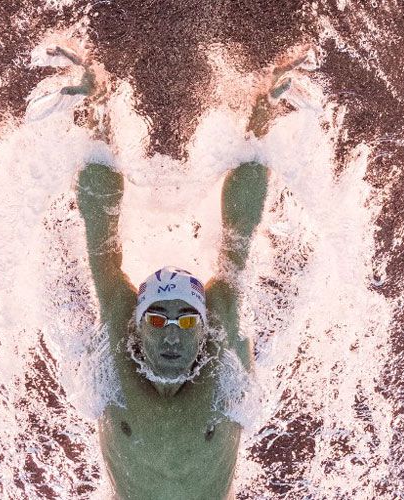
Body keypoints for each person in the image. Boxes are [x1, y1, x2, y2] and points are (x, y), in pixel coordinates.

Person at [77, 159, 269, 499]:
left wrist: (261, 123)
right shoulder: (117, 340)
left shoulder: (222, 343)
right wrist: (95, 117)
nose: (171, 335)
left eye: (187, 320)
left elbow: (240, 233)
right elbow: (99, 236)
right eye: (155, 320)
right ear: (137, 327)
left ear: (203, 327)